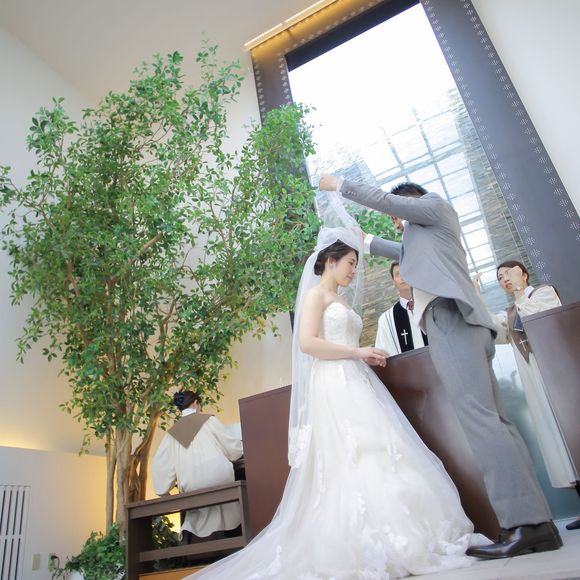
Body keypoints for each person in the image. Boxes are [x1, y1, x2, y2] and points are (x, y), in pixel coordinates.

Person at [187, 195, 489, 579]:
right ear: (330, 260)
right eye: (350, 263)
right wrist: (356, 351)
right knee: (352, 455)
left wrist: (363, 355)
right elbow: (307, 343)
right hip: (333, 384)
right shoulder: (315, 296)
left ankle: (402, 534)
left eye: (355, 265)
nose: (353, 271)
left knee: (380, 451)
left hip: (355, 380)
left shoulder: (338, 299)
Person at [318, 176, 561, 559]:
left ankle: (525, 524)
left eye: (400, 216)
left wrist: (341, 184)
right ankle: (536, 524)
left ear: (412, 200)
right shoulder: (426, 238)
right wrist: (364, 241)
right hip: (459, 324)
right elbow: (402, 251)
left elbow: (389, 204)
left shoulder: (434, 206)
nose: (398, 223)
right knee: (494, 423)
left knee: (481, 423)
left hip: (451, 320)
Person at [474, 261, 579, 530]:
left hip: (559, 372)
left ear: (523, 273)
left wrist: (521, 293)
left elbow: (543, 315)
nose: (505, 279)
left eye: (509, 273)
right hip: (535, 380)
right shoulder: (510, 313)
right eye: (500, 277)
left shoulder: (543, 293)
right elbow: (494, 331)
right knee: (558, 437)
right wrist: (476, 296)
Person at [152, 391, 243, 540]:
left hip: (192, 485)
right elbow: (233, 449)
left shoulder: (172, 433)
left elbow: (160, 465)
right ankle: (235, 533)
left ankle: (196, 537)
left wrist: (164, 492)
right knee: (236, 476)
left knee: (195, 491)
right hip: (219, 478)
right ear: (195, 403)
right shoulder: (209, 420)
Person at [376, 261, 428, 355]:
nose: (402, 277)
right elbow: (383, 355)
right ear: (393, 282)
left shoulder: (430, 308)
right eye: (397, 274)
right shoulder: (386, 320)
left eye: (406, 271)